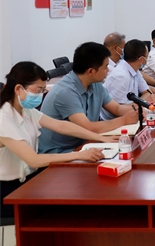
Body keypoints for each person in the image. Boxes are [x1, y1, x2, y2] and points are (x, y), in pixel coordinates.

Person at [1, 62, 112, 219]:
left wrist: (101, 138)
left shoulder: (26, 110)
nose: (41, 95)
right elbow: (33, 160)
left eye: (43, 90)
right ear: (18, 89)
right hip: (8, 190)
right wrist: (79, 155)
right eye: (38, 90)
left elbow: (61, 125)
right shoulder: (4, 118)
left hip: (29, 181)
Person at [38, 42, 140, 154]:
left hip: (85, 144)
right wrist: (123, 120)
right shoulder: (65, 92)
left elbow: (116, 109)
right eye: (105, 67)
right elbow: (88, 127)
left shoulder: (95, 84)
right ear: (91, 71)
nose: (108, 71)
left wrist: (139, 109)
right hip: (60, 152)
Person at [101, 39, 155, 121]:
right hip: (114, 120)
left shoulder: (134, 70)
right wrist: (144, 101)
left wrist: (144, 100)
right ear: (141, 59)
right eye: (147, 57)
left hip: (133, 112)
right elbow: (119, 110)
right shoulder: (120, 76)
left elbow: (147, 92)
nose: (148, 59)